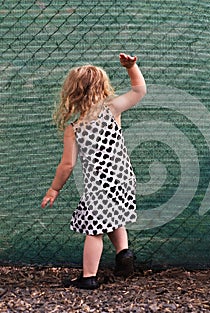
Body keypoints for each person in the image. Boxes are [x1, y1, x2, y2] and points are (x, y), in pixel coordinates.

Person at [41, 53, 146, 289]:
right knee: (113, 217)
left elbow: (67, 165)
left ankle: (88, 277)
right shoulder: (112, 109)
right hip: (124, 179)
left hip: (100, 185)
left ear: (73, 94)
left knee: (94, 230)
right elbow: (139, 91)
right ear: (102, 87)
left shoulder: (75, 127)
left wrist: (53, 189)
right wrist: (131, 67)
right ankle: (124, 255)